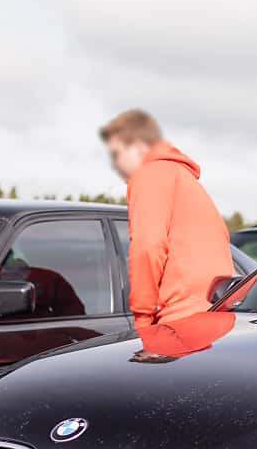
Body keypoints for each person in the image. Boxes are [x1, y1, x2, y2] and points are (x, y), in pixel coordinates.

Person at [99, 108, 234, 331]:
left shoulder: (151, 175)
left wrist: (142, 319)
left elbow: (148, 246)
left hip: (180, 322)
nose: (114, 164)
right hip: (213, 315)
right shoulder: (182, 179)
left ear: (138, 146)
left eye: (117, 154)